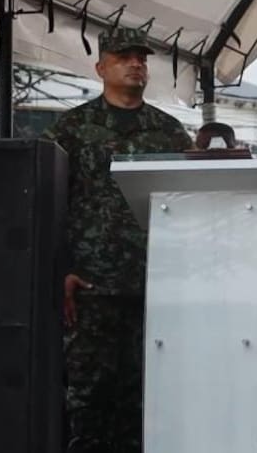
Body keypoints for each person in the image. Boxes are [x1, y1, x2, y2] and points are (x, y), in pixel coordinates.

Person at [43, 27, 193, 453]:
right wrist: (62, 270)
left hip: (154, 287)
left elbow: (190, 201)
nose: (136, 64)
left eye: (141, 58)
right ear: (101, 67)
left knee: (145, 402)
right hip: (92, 288)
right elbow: (48, 203)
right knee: (89, 402)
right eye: (125, 57)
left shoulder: (168, 133)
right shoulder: (72, 129)